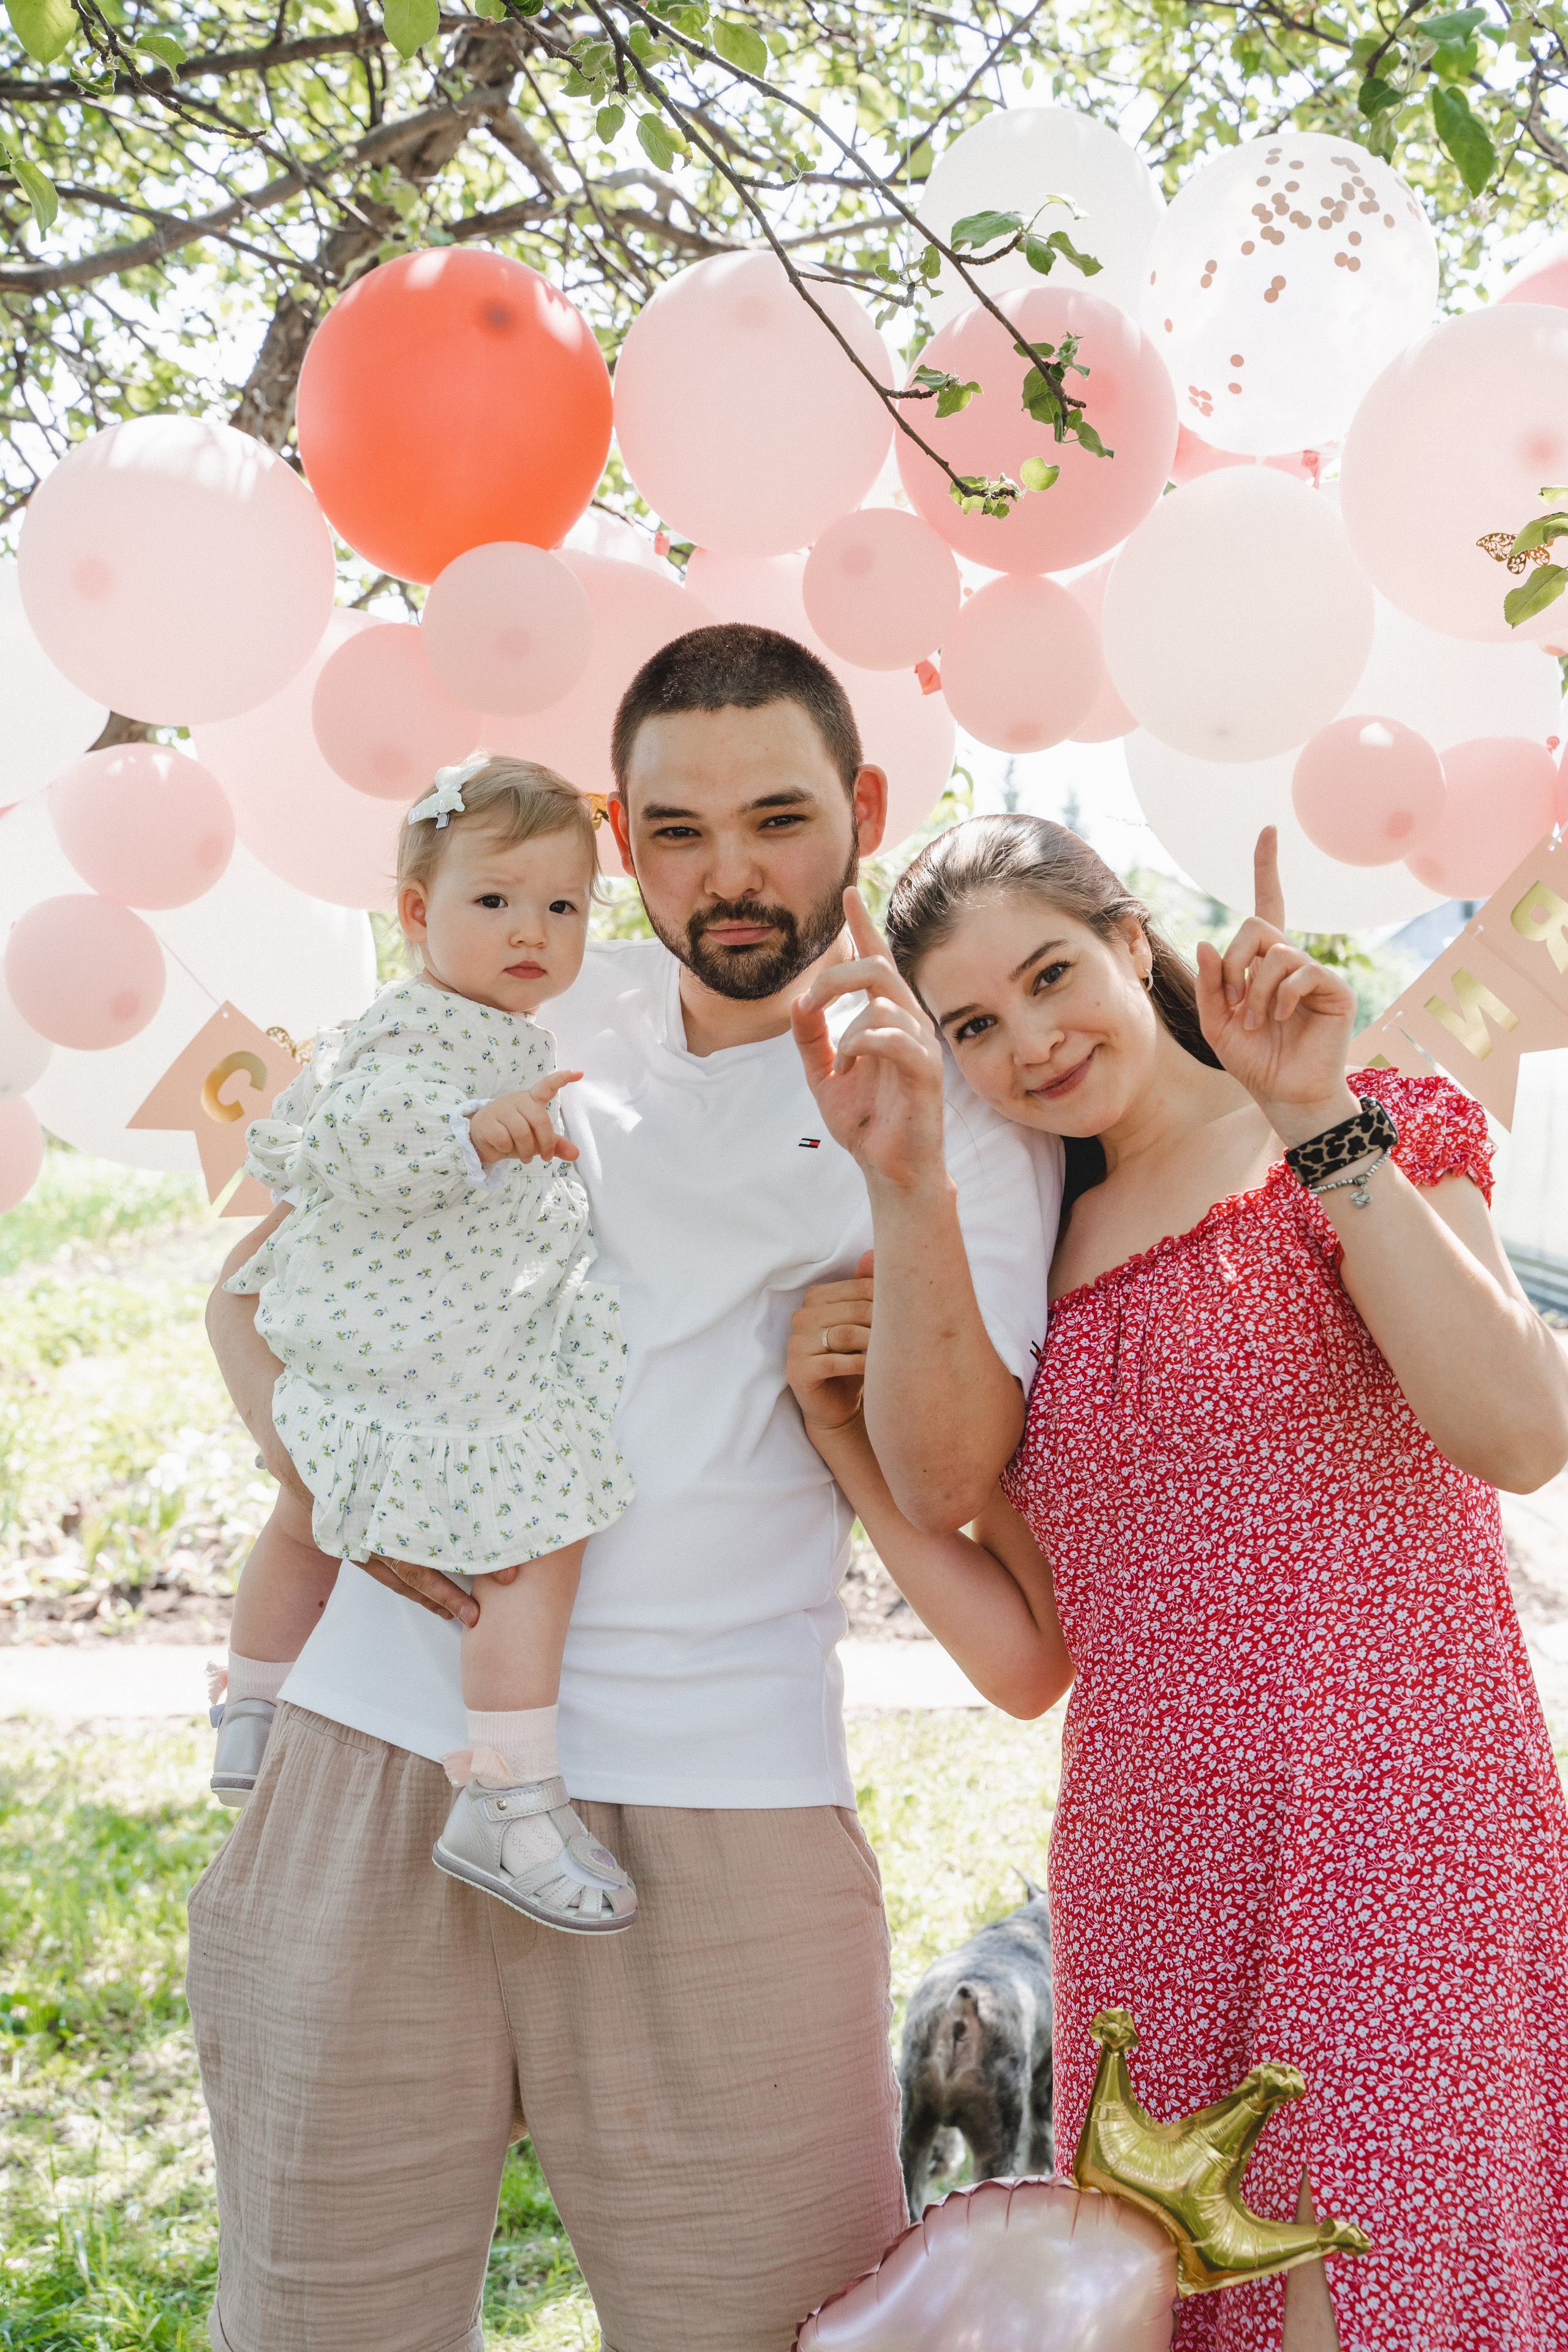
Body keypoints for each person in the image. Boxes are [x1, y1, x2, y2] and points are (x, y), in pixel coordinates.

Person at [189, 626, 1060, 2352]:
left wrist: (902, 1189)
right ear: (615, 827)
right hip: (374, 1756)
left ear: (866, 807)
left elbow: (957, 1469)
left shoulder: (961, 1111)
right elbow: (253, 1289)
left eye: (779, 818)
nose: (728, 874)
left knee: (771, 2329)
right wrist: (337, 1484)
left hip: (719, 1807)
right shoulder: (517, 1001)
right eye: (674, 832)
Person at [785, 813, 1568, 2351]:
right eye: (973, 1026)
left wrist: (1314, 1119)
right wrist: (850, 1449)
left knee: (1387, 2292)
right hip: (1152, 1875)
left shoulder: (1364, 1128)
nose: (1031, 1041)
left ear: (1132, 940)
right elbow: (1029, 1661)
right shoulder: (1028, 1268)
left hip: (1399, 1827)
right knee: (1181, 2304)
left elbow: (1521, 1431)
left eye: (1050, 974)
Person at [209, 754, 638, 1931]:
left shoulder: (496, 1025)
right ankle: (507, 1791)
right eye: (495, 900)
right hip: (413, 1342)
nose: (532, 932)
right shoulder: (414, 1030)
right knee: (532, 1532)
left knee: (308, 1514)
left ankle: (251, 1708)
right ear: (415, 914)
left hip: (420, 1331)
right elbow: (362, 1126)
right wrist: (473, 1132)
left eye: (562, 906)